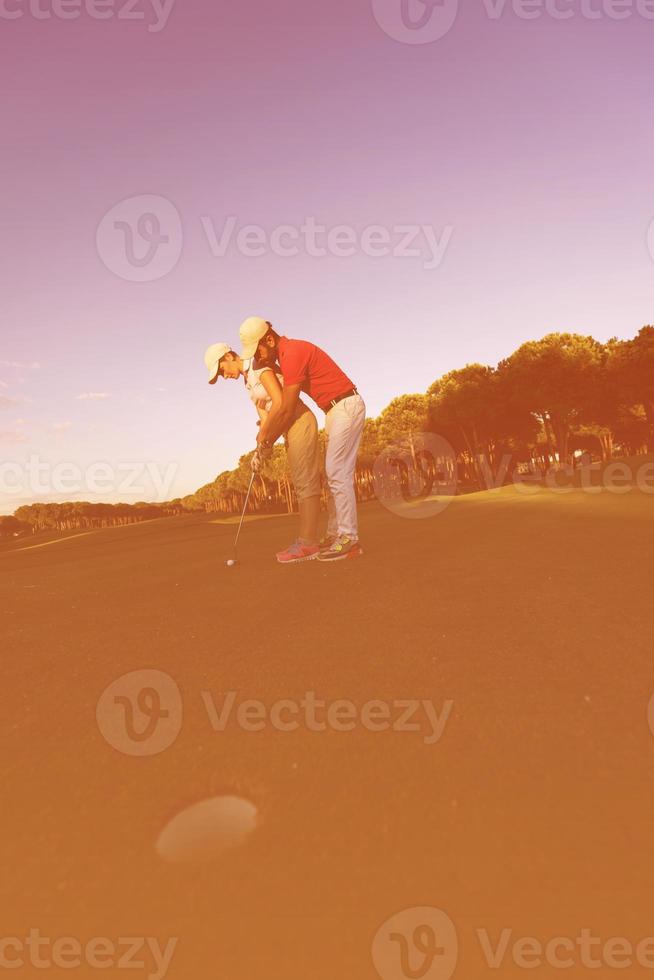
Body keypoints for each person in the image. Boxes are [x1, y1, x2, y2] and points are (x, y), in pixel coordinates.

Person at [240, 317, 366, 562]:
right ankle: (335, 535)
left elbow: (286, 409)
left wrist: (265, 443)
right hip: (333, 410)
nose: (259, 356)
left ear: (269, 339)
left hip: (345, 405)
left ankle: (350, 539)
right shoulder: (285, 356)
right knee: (333, 477)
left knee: (337, 473)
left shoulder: (293, 353)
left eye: (259, 350)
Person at [204, 342, 322, 564]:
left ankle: (308, 544)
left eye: (221, 370)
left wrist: (265, 437)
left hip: (299, 419)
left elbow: (280, 402)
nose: (224, 376)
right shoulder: (248, 383)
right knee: (300, 480)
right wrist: (261, 450)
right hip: (286, 427)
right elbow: (266, 419)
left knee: (305, 480)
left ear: (229, 356)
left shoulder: (258, 366)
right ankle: (307, 540)